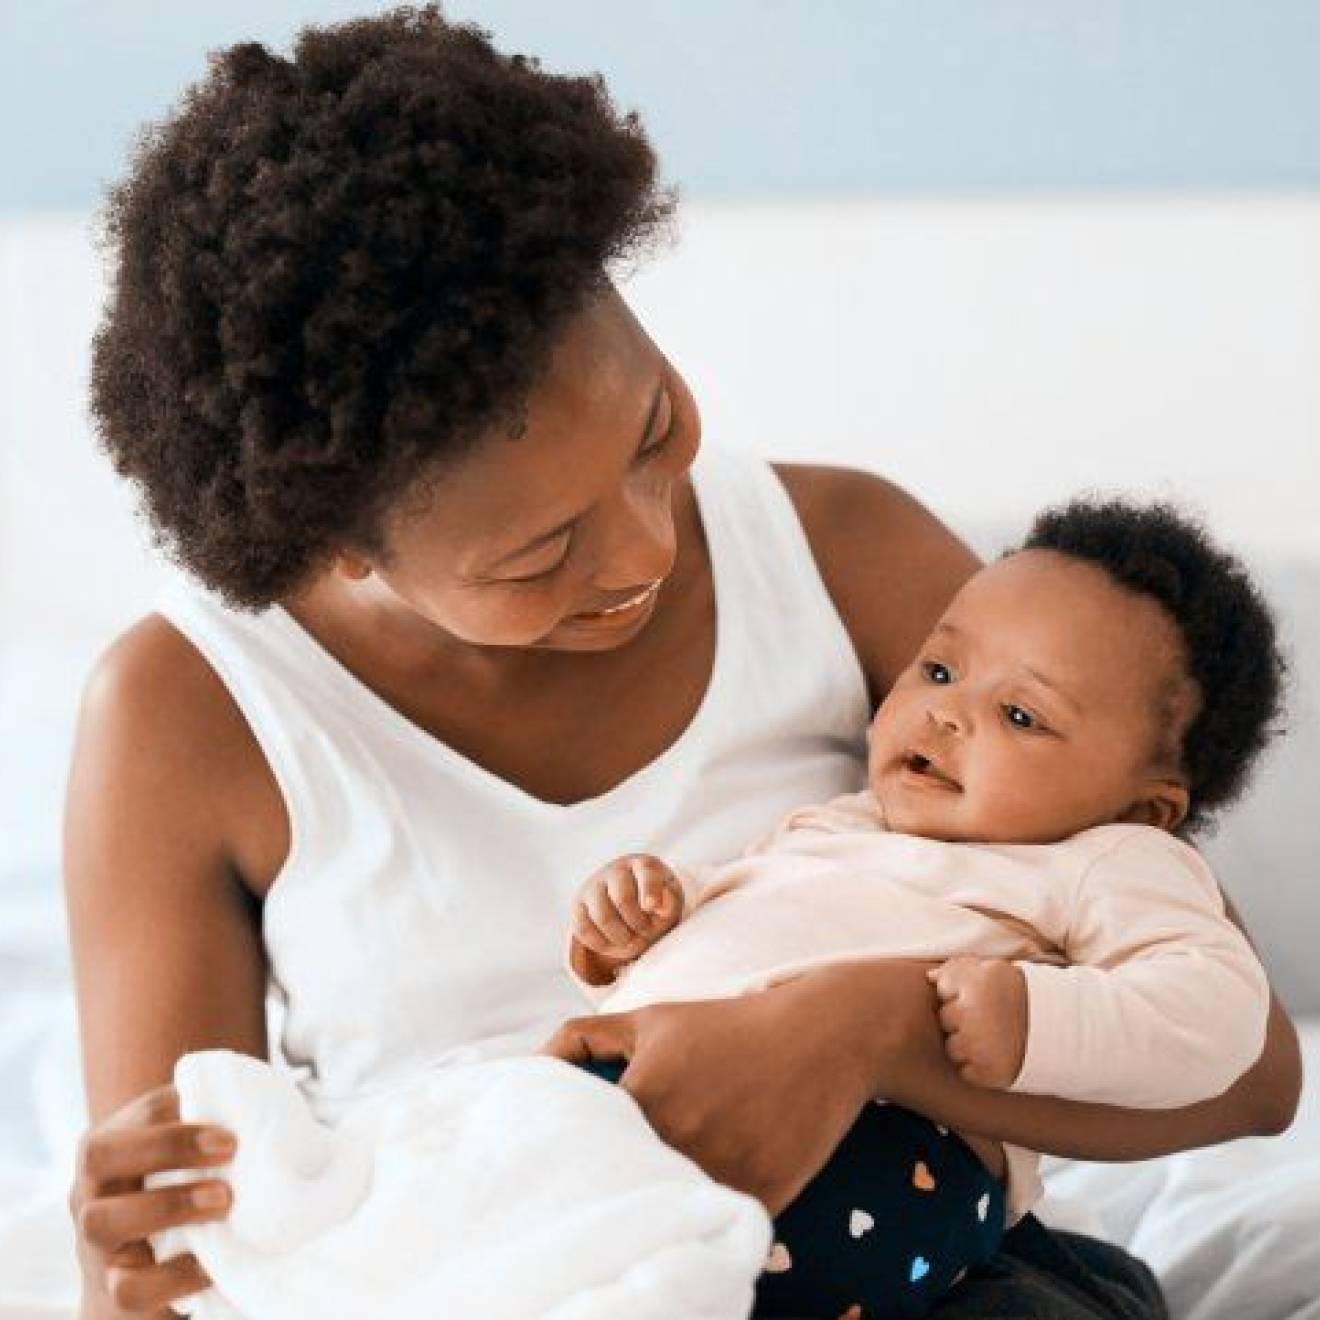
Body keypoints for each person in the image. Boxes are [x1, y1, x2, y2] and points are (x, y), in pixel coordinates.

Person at [63, 9, 1301, 1319]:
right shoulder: (186, 717)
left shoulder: (842, 553)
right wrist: (129, 1259)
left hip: (922, 1271)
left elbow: (1250, 1068)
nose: (646, 551)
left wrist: (864, 1030)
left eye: (655, 429)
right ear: (337, 545)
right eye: (541, 554)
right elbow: (187, 1238)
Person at [563, 498, 1284, 1318]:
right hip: (631, 1098)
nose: (945, 711)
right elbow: (756, 914)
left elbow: (1220, 1013)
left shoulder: (1107, 860)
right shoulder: (843, 822)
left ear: (1140, 809)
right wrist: (648, 913)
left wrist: (1034, 1018)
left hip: (877, 1153)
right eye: (940, 671)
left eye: (1020, 715)